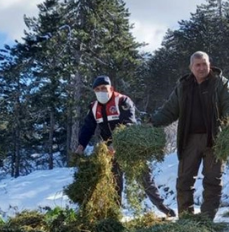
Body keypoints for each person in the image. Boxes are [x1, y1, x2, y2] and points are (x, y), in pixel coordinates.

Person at [148, 51, 229, 221]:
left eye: (204, 64)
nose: (201, 67)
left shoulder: (220, 83)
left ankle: (206, 219)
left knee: (212, 181)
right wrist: (152, 123)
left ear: (209, 64)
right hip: (189, 140)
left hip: (215, 140)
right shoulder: (183, 87)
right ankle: (185, 220)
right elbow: (169, 111)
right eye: (197, 65)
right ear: (191, 67)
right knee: (184, 182)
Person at [75, 75, 175, 217]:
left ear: (111, 88)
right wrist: (81, 146)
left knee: (144, 177)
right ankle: (115, 214)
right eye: (97, 89)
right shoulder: (94, 107)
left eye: (104, 88)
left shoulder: (122, 101)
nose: (100, 91)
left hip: (129, 146)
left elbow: (129, 123)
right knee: (115, 182)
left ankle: (162, 207)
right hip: (109, 150)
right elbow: (87, 128)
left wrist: (117, 144)